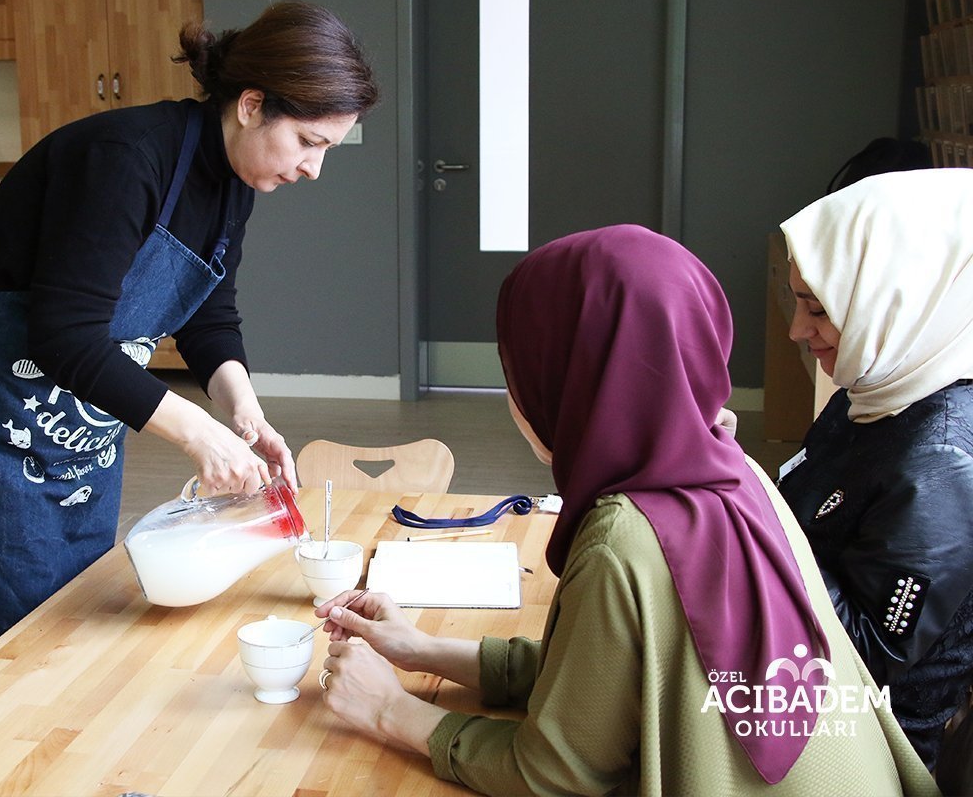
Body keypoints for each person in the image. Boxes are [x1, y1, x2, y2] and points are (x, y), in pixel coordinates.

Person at [312, 225, 937, 795]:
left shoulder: (624, 533)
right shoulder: (736, 471)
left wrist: (389, 711)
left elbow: (556, 772)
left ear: (571, 379)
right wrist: (420, 649)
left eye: (520, 366)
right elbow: (619, 681)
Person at [0, 1, 378, 666]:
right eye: (308, 142)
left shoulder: (234, 180)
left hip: (75, 428)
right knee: (5, 654)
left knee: (70, 624)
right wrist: (198, 434)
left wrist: (242, 411)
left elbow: (210, 313)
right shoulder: (125, 159)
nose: (312, 169)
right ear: (250, 104)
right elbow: (63, 336)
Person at [777, 168, 973, 770]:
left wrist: (746, 501)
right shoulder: (876, 389)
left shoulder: (942, 459)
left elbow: (869, 655)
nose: (797, 331)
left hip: (867, 746)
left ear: (901, 298)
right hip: (796, 689)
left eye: (817, 310)